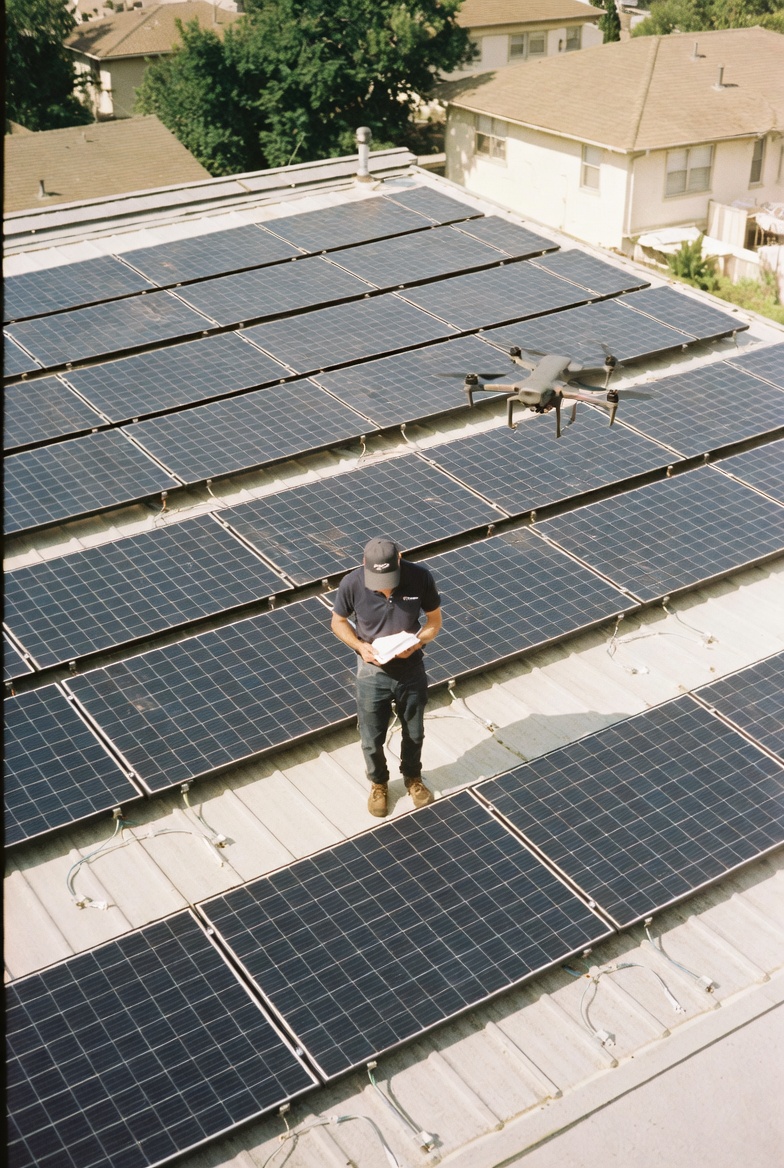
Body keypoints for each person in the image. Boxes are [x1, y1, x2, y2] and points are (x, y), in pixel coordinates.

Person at [331, 537, 442, 818]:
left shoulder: (420, 577)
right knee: (371, 737)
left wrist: (417, 644)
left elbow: (434, 621)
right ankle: (378, 783)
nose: (384, 586)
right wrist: (359, 646)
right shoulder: (353, 583)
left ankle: (413, 778)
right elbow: (338, 621)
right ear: (364, 564)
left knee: (414, 733)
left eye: (390, 577)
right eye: (378, 579)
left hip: (411, 670)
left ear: (401, 559)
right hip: (372, 673)